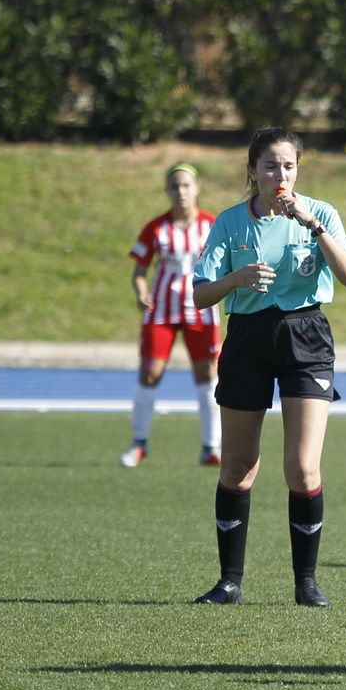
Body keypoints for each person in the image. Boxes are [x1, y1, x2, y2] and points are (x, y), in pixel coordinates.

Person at [188, 127, 346, 608]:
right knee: (238, 467)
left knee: (303, 469)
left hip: (305, 336)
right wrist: (235, 279)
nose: (279, 174)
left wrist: (312, 224)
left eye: (288, 165)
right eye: (269, 165)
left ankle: (306, 582)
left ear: (298, 169)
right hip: (247, 337)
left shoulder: (320, 212)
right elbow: (200, 293)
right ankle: (229, 582)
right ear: (253, 171)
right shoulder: (229, 222)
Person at [120, 163, 222, 468]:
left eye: (186, 185)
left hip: (201, 310)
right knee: (150, 373)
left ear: (197, 188)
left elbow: (227, 263)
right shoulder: (156, 228)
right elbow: (139, 271)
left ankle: (211, 447)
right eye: (175, 186)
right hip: (162, 311)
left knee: (208, 375)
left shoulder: (213, 226)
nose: (181, 192)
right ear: (167, 191)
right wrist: (141, 293)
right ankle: (139, 443)